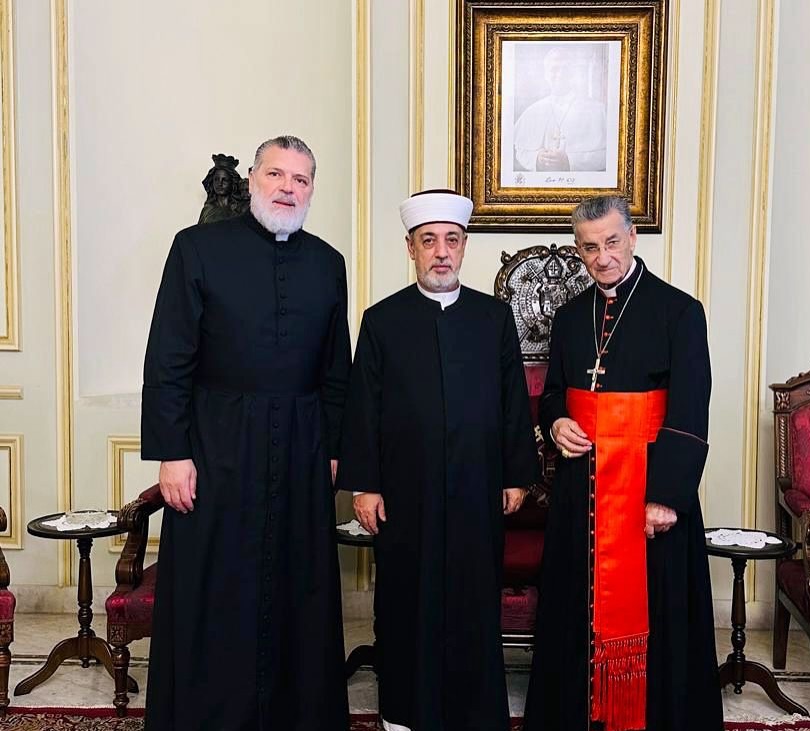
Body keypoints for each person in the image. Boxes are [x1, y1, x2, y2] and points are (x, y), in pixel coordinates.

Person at [141, 135, 350, 731]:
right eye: (276, 174)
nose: (288, 188)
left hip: (303, 446)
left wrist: (335, 449)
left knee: (298, 589)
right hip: (216, 447)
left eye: (301, 179)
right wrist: (173, 453)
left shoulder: (327, 262)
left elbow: (337, 368)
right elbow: (169, 357)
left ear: (312, 190)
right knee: (216, 587)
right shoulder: (197, 248)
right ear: (253, 180)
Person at [337, 189, 540, 731]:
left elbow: (512, 400)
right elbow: (363, 406)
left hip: (478, 486)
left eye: (451, 240)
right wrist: (365, 486)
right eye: (429, 241)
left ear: (464, 246)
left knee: (474, 602)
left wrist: (516, 474)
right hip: (406, 492)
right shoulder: (382, 320)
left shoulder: (494, 318)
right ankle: (405, 713)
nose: (441, 252)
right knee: (407, 601)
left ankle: (475, 714)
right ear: (411, 249)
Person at [523, 195, 722, 731]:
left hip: (648, 491)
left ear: (632, 237)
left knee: (655, 614)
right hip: (580, 494)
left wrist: (665, 498)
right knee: (574, 612)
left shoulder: (680, 312)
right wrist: (556, 422)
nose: (602, 257)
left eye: (612, 242)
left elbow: (690, 410)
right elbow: (554, 394)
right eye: (590, 248)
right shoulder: (569, 317)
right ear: (579, 250)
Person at [513, 45, 607, 173]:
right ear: (546, 74)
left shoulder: (598, 110)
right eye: (554, 69)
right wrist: (536, 159)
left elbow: (607, 155)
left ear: (573, 73)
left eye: (566, 68)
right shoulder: (533, 111)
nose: (560, 74)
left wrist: (570, 161)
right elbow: (521, 151)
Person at [198, 153, 247, 225]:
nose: (220, 183)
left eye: (225, 180)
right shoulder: (207, 210)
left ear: (232, 183)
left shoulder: (241, 209)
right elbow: (199, 230)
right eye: (216, 179)